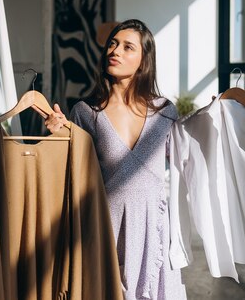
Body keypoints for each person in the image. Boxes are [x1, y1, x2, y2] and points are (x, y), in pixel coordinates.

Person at [44, 19, 187, 300]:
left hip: (153, 231)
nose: (115, 50)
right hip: (105, 226)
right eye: (112, 43)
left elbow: (188, 158)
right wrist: (56, 135)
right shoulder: (86, 112)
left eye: (127, 46)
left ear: (143, 61)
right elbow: (67, 174)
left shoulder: (165, 111)